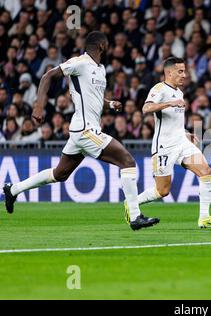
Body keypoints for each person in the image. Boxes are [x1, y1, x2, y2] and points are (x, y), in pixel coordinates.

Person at [3, 31, 159, 231]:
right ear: (101, 46)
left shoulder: (100, 69)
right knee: (127, 161)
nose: (109, 46)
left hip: (82, 130)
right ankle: (135, 216)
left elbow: (92, 95)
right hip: (85, 129)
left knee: (60, 174)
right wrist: (39, 106)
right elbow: (48, 76)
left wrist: (109, 103)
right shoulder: (79, 62)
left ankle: (13, 189)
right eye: (107, 43)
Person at [135, 57, 211, 229]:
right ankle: (132, 204)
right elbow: (146, 108)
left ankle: (204, 218)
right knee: (162, 191)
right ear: (169, 72)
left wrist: (185, 133)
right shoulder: (159, 89)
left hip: (181, 142)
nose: (184, 75)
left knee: (206, 171)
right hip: (164, 147)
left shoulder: (179, 92)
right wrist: (169, 102)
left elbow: (174, 121)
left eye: (185, 71)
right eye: (180, 71)